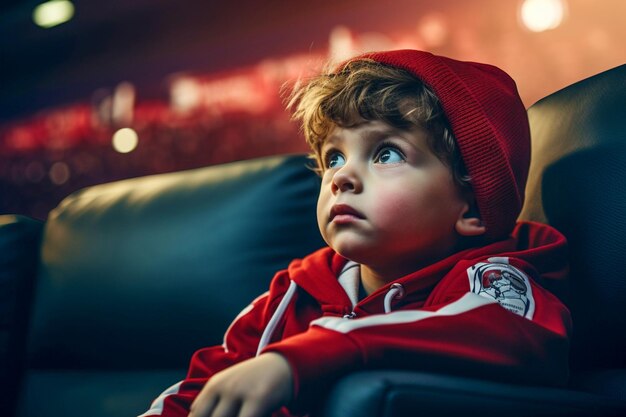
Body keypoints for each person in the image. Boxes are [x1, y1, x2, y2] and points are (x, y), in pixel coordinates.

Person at [139, 49, 571, 417]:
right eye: (333, 158)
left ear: (473, 207)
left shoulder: (496, 283)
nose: (341, 178)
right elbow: (202, 389)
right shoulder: (289, 295)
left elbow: (502, 334)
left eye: (386, 153)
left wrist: (309, 356)